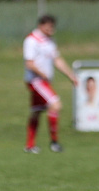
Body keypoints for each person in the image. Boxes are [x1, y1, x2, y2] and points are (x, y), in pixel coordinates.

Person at [23, 14, 78, 153]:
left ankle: (30, 145)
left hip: (43, 81)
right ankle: (54, 142)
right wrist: (43, 74)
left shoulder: (49, 41)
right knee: (56, 105)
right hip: (36, 81)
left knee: (36, 111)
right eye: (49, 26)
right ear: (41, 25)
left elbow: (57, 60)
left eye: (53, 26)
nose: (52, 29)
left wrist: (70, 75)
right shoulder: (31, 40)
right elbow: (29, 63)